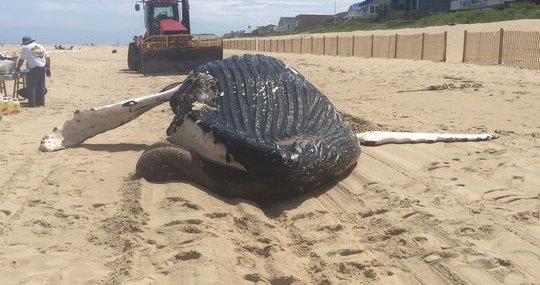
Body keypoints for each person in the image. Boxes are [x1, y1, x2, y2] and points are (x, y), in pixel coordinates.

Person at [15, 36, 51, 107]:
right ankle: (41, 103)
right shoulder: (39, 46)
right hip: (43, 67)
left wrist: (18, 68)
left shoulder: (26, 48)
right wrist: (48, 68)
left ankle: (32, 104)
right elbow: (47, 57)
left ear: (25, 43)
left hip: (35, 68)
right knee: (41, 86)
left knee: (31, 86)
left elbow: (21, 60)